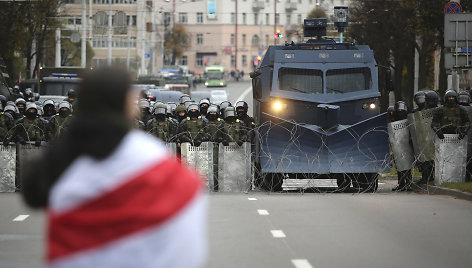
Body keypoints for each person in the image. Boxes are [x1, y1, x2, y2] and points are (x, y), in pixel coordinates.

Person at [21, 67, 207, 268]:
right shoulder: (150, 153)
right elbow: (187, 241)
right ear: (127, 105)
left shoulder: (66, 152)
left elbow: (33, 193)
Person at [390, 101, 412, 191]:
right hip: (397, 145)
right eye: (398, 109)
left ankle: (409, 183)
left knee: (408, 165)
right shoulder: (393, 120)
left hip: (407, 145)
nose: (400, 111)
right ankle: (401, 183)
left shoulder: (410, 119)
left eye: (402, 109)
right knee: (399, 166)